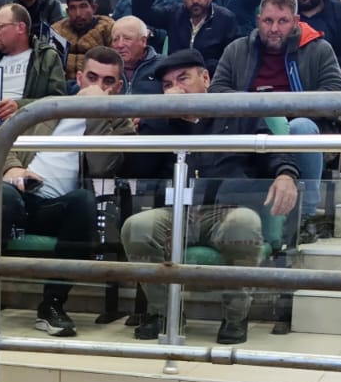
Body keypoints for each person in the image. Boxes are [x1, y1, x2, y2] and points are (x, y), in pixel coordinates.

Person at [121, 50, 301, 345]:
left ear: (205, 79)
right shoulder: (162, 121)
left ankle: (235, 315)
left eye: (183, 79)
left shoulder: (235, 110)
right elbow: (136, 168)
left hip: (227, 209)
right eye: (167, 85)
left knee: (243, 223)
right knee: (136, 227)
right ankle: (167, 312)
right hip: (176, 211)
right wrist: (157, 118)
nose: (175, 89)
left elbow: (273, 149)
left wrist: (285, 174)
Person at [0, 47, 135, 338]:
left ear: (119, 87)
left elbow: (102, 166)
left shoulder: (120, 124)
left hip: (58, 210)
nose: (98, 87)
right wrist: (11, 169)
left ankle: (52, 306)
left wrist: (97, 111)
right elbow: (0, 138)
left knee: (83, 201)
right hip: (18, 194)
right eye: (92, 78)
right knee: (0, 196)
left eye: (108, 82)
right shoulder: (48, 105)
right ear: (78, 76)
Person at [210, 0, 341, 233]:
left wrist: (285, 107)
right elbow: (217, 91)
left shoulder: (319, 48)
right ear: (259, 20)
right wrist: (255, 105)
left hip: (299, 125)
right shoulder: (237, 49)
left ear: (295, 22)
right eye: (268, 21)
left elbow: (336, 93)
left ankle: (306, 217)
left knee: (299, 127)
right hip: (248, 125)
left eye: (282, 21)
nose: (274, 29)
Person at [0, 3, 67, 122]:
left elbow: (58, 101)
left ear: (20, 28)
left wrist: (19, 106)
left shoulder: (47, 57)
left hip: (26, 124)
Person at [131, 0, 240, 67]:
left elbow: (231, 61)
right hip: (175, 79)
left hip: (210, 82)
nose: (195, 0)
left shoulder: (226, 19)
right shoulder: (175, 13)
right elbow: (142, 13)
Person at [50, 0, 114, 79]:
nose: (78, 14)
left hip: (96, 84)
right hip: (63, 85)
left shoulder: (108, 28)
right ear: (67, 11)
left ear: (93, 8)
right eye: (73, 8)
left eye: (83, 6)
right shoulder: (57, 31)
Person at [110, 15, 163, 94]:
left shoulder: (163, 66)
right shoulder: (105, 67)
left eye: (127, 39)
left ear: (143, 41)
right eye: (115, 39)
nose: (120, 45)